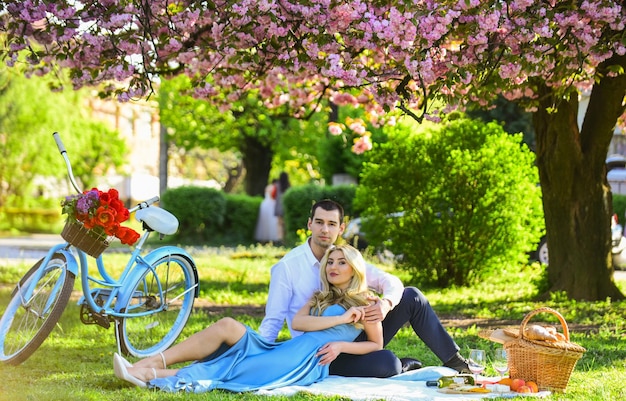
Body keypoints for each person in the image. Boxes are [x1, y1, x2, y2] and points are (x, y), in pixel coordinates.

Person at [113, 244, 383, 393]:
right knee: (228, 325)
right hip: (285, 347)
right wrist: (342, 319)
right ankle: (149, 363)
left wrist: (340, 346)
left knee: (230, 368)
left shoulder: (367, 302)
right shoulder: (319, 296)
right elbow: (299, 324)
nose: (334, 267)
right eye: (330, 262)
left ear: (354, 267)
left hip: (303, 361)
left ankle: (147, 375)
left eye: (341, 262)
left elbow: (375, 345)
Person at [259, 199, 470, 378]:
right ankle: (402, 365)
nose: (325, 229)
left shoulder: (345, 257)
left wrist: (385, 305)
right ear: (309, 224)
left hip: (356, 336)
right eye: (319, 222)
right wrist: (260, 356)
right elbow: (273, 320)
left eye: (332, 224)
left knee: (412, 296)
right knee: (388, 363)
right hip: (320, 348)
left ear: (341, 229)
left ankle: (456, 362)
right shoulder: (287, 267)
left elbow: (391, 282)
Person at [274, 172, 291, 240]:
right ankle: (285, 238)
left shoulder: (277, 185)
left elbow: (273, 195)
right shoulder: (289, 185)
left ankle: (279, 238)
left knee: (279, 223)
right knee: (285, 223)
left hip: (278, 205)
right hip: (286, 206)